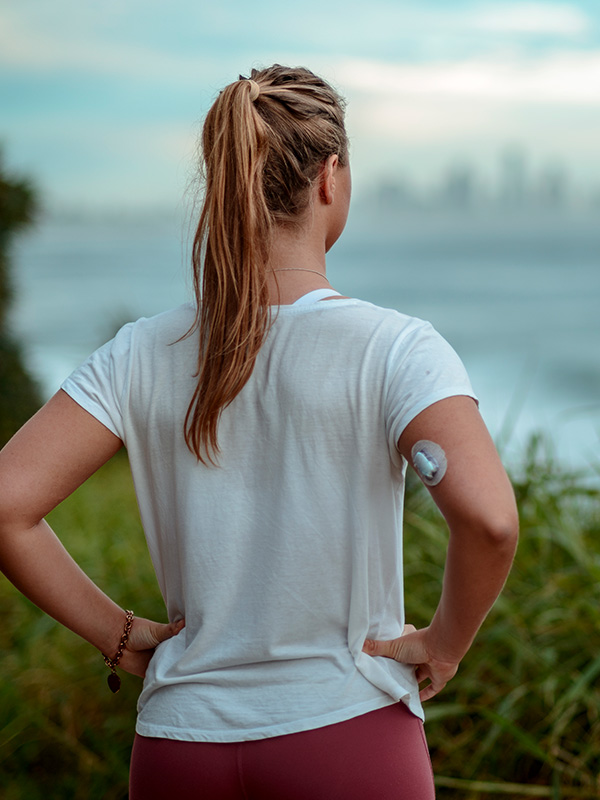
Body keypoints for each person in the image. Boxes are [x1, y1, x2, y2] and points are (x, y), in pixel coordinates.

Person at [0, 65, 518, 799]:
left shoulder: (141, 352)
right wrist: (444, 644)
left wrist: (117, 634)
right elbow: (492, 521)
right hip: (349, 732)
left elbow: (6, 505)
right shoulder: (395, 348)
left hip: (180, 744)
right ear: (330, 178)